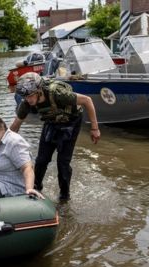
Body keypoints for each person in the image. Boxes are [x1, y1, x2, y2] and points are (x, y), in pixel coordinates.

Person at [10, 72, 101, 201]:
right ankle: (35, 189)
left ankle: (64, 197)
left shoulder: (58, 94)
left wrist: (94, 128)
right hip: (51, 121)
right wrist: (4, 143)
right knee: (41, 160)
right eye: (25, 96)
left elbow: (87, 100)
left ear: (39, 90)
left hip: (71, 122)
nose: (29, 99)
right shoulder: (26, 103)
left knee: (62, 163)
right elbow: (15, 125)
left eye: (31, 95)